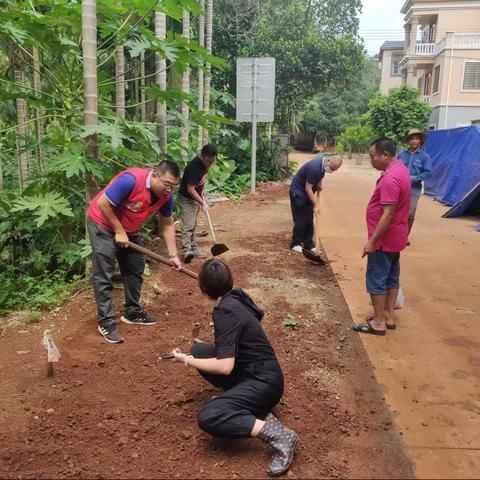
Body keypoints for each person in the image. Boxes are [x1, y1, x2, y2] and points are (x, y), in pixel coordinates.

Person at [170, 259, 298, 477]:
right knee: (199, 350)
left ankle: (282, 436)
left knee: (210, 415)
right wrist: (195, 355)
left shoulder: (225, 312)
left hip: (263, 383)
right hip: (261, 373)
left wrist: (186, 361)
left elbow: (225, 366)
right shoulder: (237, 297)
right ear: (231, 281)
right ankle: (243, 404)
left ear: (204, 289)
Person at [87, 161, 182, 344]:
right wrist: (118, 230)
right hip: (103, 223)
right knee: (104, 272)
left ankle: (133, 312)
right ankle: (106, 322)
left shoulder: (166, 196)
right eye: (167, 184)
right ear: (155, 176)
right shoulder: (131, 180)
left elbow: (167, 223)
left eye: (174, 186)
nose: (169, 190)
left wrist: (173, 255)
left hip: (129, 228)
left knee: (135, 265)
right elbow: (103, 203)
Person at [353, 138, 411, 336]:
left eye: (372, 156)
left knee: (377, 279)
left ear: (385, 155)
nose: (371, 160)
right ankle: (388, 316)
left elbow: (387, 214)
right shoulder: (401, 169)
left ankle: (378, 323)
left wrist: (372, 242)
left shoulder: (389, 179)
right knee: (392, 277)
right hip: (397, 237)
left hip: (384, 241)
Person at [289, 154, 342, 253]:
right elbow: (308, 188)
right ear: (328, 160)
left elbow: (320, 175)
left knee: (309, 218)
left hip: (306, 192)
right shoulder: (315, 168)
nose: (331, 170)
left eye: (334, 170)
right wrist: (316, 205)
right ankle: (295, 243)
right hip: (298, 193)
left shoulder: (323, 163)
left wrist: (319, 183)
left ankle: (308, 243)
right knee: (301, 219)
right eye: (331, 168)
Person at [178, 144, 217, 263]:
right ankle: (186, 251)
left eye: (213, 161)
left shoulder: (205, 164)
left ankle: (194, 248)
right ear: (203, 156)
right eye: (209, 161)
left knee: (193, 224)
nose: (210, 163)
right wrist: (202, 203)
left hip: (194, 198)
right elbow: (190, 189)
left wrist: (202, 191)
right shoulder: (194, 167)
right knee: (188, 225)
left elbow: (201, 180)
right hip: (187, 199)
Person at [397, 129, 432, 240]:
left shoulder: (425, 157)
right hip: (399, 188)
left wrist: (413, 178)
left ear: (420, 141)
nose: (414, 141)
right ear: (408, 141)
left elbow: (428, 173)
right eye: (411, 139)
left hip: (414, 190)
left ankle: (405, 235)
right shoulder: (401, 154)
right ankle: (396, 234)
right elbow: (394, 167)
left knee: (410, 213)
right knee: (397, 211)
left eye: (416, 138)